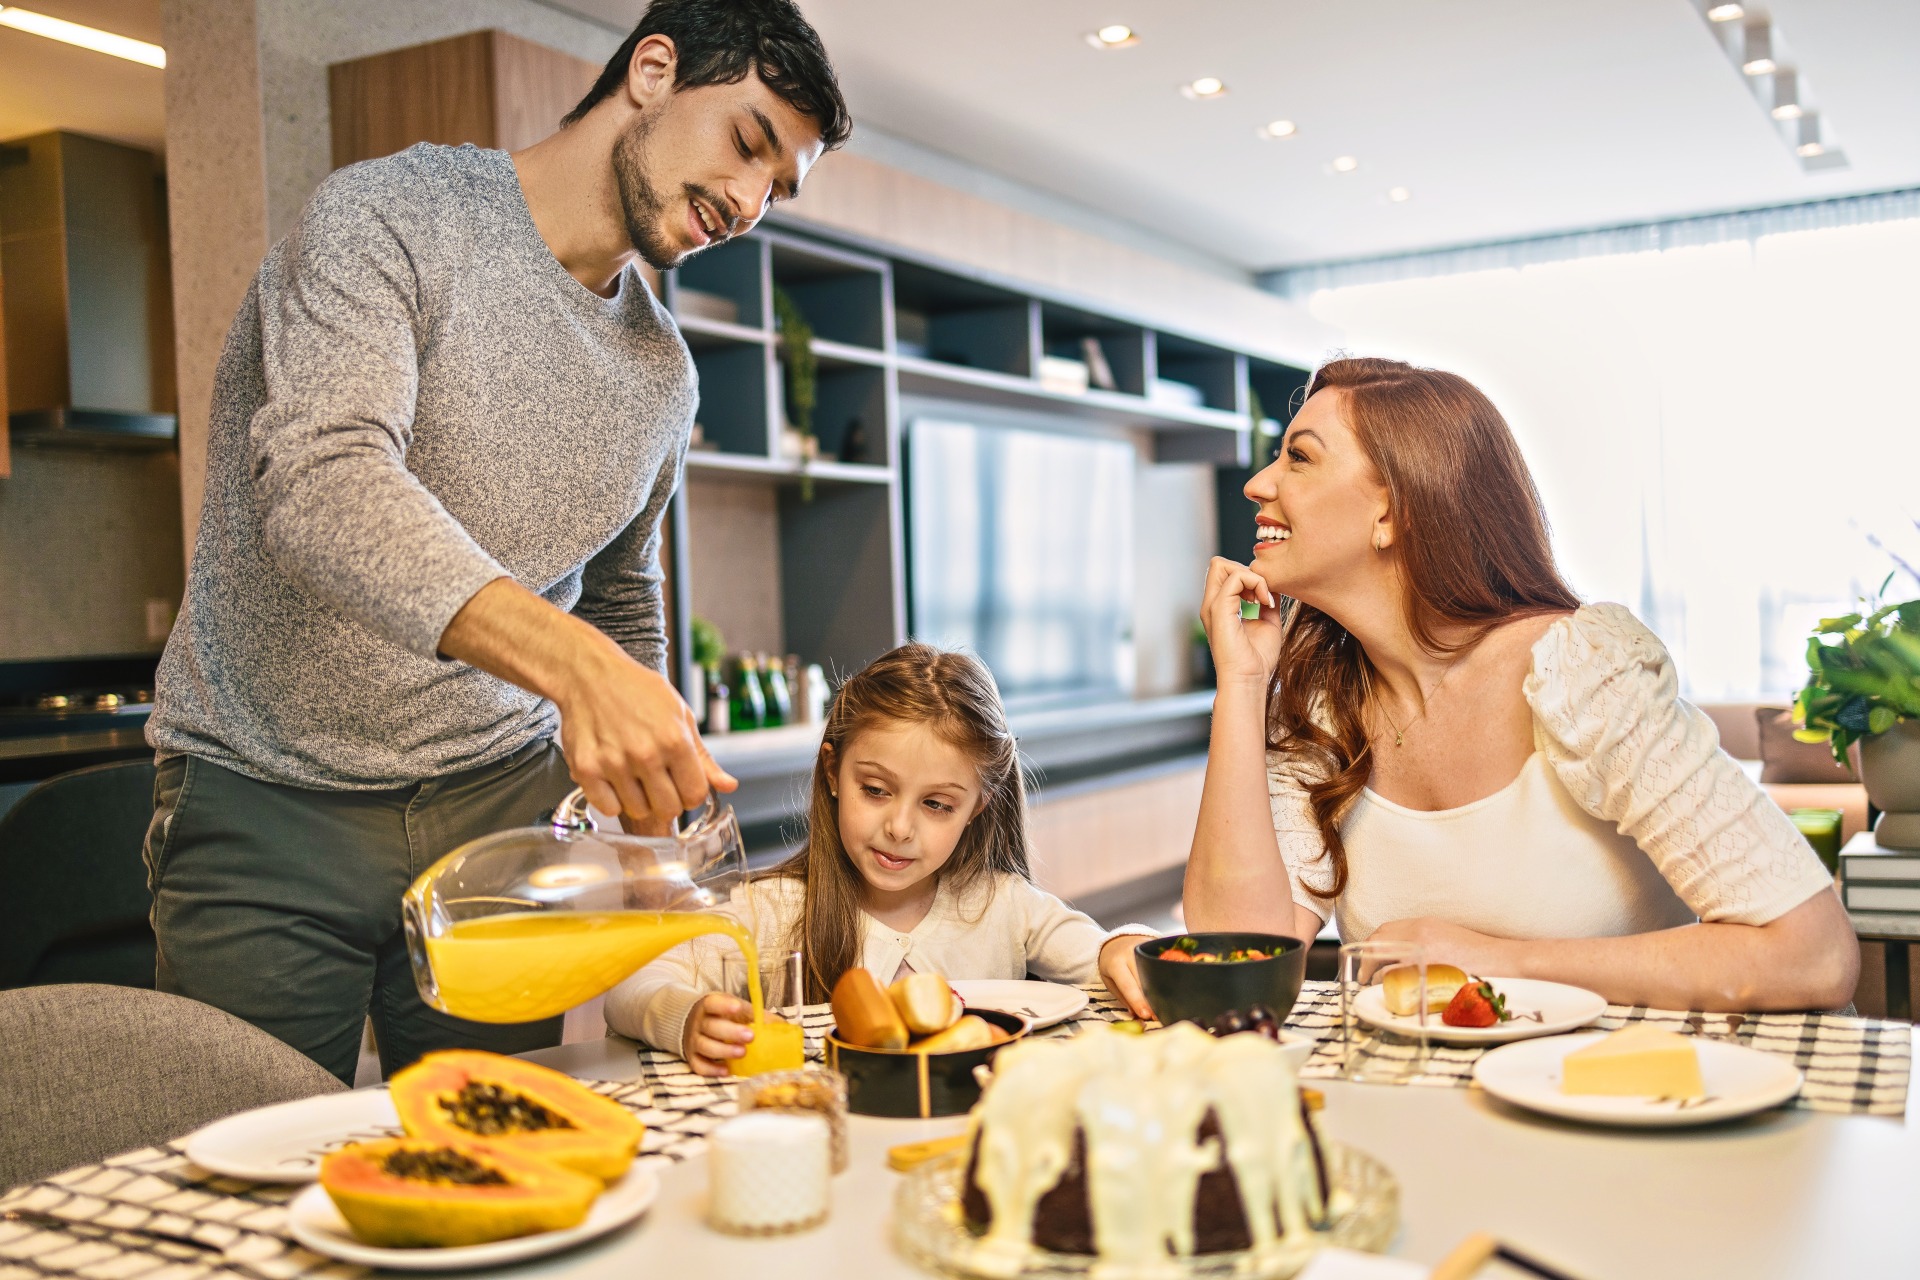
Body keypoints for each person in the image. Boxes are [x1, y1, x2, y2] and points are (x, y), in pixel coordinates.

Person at [143, 0, 851, 1084]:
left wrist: (638, 756)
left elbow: (621, 594)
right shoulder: (389, 219)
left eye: (779, 186)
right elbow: (323, 481)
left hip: (501, 813)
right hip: (268, 795)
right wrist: (573, 667)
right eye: (748, 141)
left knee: (498, 1162)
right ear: (653, 71)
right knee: (244, 1191)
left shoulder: (663, 376)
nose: (750, 201)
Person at [1183, 356, 1857, 1013]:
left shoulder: (1581, 671)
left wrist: (1492, 959)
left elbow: (1814, 953)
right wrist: (1242, 683)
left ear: (1392, 510)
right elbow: (1234, 961)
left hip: (1651, 1101)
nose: (1256, 484)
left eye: (1298, 457)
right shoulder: (1324, 708)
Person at [606, 644, 1157, 1075]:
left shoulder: (1006, 907)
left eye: (937, 805)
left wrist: (1122, 947)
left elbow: (1105, 955)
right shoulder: (769, 912)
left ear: (976, 808)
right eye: (875, 790)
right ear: (832, 773)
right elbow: (632, 987)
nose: (899, 828)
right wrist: (684, 1018)